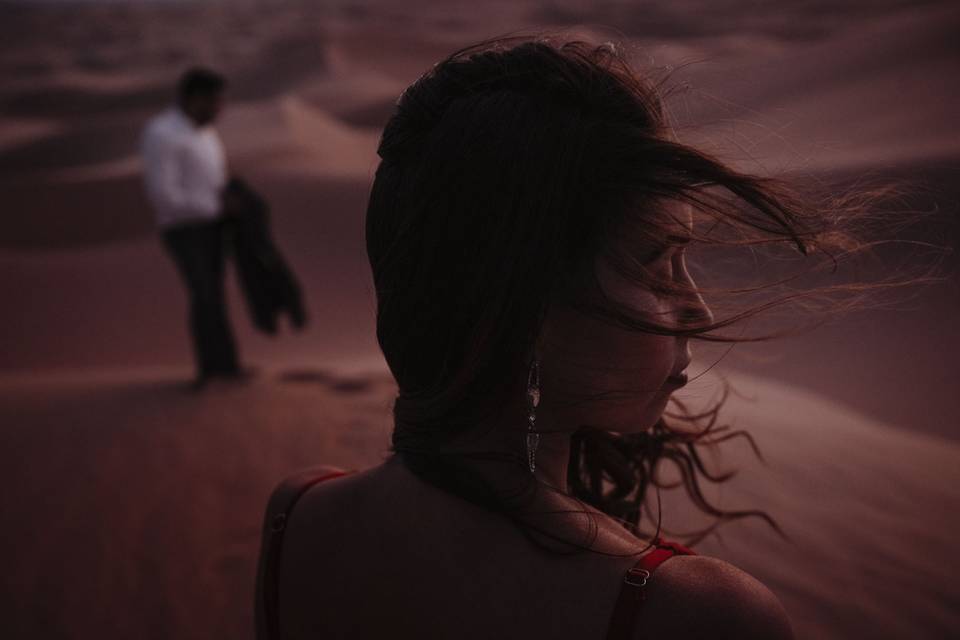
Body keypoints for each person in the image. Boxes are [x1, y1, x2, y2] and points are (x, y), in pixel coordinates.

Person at [250, 34, 897, 638]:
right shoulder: (697, 616)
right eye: (657, 264)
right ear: (522, 307)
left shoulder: (298, 516)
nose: (696, 308)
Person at [140, 67, 252, 390]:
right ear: (194, 99)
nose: (220, 108)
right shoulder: (162, 133)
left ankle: (227, 367)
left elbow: (212, 179)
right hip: (184, 229)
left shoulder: (205, 131)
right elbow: (163, 195)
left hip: (213, 226)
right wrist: (217, 207)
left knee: (215, 295)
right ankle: (209, 372)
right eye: (215, 101)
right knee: (204, 294)